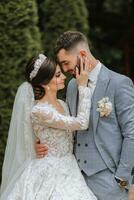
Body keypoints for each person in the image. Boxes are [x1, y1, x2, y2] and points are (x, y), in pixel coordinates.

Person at [36, 31, 134, 200]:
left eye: (66, 63)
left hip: (110, 183)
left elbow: (131, 134)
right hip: (74, 181)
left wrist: (122, 179)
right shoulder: (73, 86)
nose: (65, 70)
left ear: (82, 54)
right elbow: (67, 126)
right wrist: (41, 143)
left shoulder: (119, 84)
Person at [0, 54, 97, 200]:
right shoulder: (39, 111)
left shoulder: (63, 104)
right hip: (49, 172)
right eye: (58, 75)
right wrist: (83, 86)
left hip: (70, 169)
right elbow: (81, 123)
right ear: (45, 83)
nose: (64, 77)